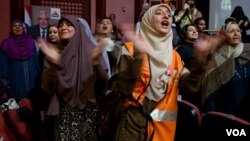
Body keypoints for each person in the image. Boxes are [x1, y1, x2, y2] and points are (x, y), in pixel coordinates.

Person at [112, 4, 223, 141]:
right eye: (159, 13)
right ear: (148, 20)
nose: (166, 16)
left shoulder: (175, 56)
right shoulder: (130, 49)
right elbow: (124, 89)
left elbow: (189, 87)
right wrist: (139, 55)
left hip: (163, 131)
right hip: (133, 128)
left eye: (169, 15)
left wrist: (200, 60)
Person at [38, 15, 108, 140]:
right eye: (60, 25)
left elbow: (103, 84)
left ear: (78, 28)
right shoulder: (54, 54)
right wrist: (54, 65)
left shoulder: (91, 50)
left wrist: (97, 64)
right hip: (64, 113)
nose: (63, 27)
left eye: (68, 24)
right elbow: (47, 88)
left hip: (89, 113)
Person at [203, 21, 250, 121]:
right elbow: (210, 89)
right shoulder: (218, 58)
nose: (236, 33)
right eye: (232, 31)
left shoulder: (248, 51)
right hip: (228, 112)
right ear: (225, 35)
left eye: (238, 30)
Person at [0, 20, 39, 99]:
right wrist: (5, 85)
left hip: (33, 79)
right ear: (11, 29)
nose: (18, 27)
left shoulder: (31, 42)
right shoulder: (6, 44)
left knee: (34, 103)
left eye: (20, 25)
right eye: (15, 26)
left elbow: (36, 63)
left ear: (23, 28)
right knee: (18, 106)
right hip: (15, 80)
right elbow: (3, 66)